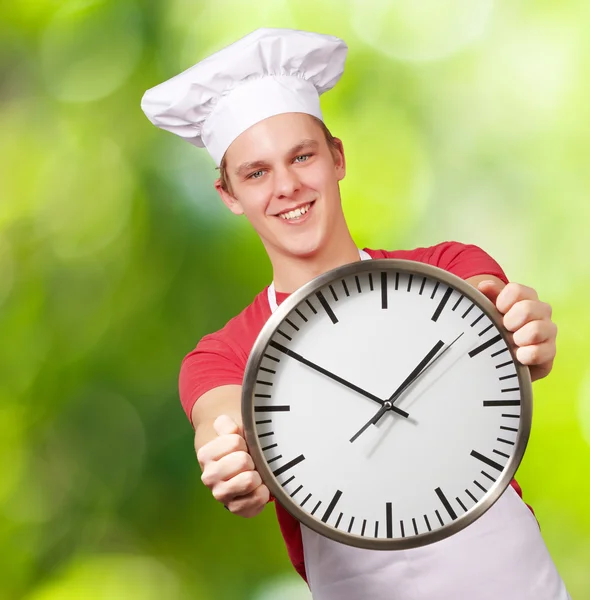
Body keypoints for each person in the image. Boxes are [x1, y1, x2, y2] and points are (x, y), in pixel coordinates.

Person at [141, 28, 569, 600]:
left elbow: (485, 299)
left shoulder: (447, 266)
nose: (288, 186)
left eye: (302, 156)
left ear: (336, 158)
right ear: (229, 194)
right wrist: (232, 461)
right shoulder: (224, 355)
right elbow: (222, 421)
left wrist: (521, 328)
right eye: (257, 172)